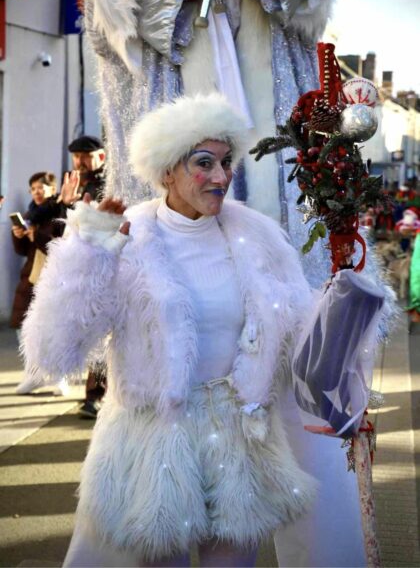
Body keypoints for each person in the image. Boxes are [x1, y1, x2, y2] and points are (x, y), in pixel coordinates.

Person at [22, 95, 377, 567]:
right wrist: (89, 255)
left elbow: (298, 335)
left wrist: (347, 292)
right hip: (155, 446)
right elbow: (55, 351)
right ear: (167, 170)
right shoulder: (126, 236)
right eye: (203, 163)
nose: (221, 177)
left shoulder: (257, 237)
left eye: (226, 162)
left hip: (238, 442)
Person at [82, 0, 338, 285]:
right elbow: (101, 7)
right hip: (173, 74)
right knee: (171, 268)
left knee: (286, 249)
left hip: (273, 82)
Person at [58, 135, 108, 418]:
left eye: (86, 156)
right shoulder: (75, 184)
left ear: (101, 156)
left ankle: (96, 396)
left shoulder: (108, 183)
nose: (80, 161)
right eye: (76, 156)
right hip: (80, 271)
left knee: (102, 337)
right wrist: (65, 204)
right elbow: (60, 231)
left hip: (105, 269)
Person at [11, 172, 68, 396]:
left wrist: (37, 236)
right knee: (25, 329)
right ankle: (34, 375)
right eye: (33, 188)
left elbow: (60, 246)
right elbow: (22, 251)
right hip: (31, 279)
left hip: (55, 279)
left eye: (41, 187)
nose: (36, 192)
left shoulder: (60, 212)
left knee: (56, 330)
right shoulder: (29, 216)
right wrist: (18, 235)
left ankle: (60, 377)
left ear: (52, 190)